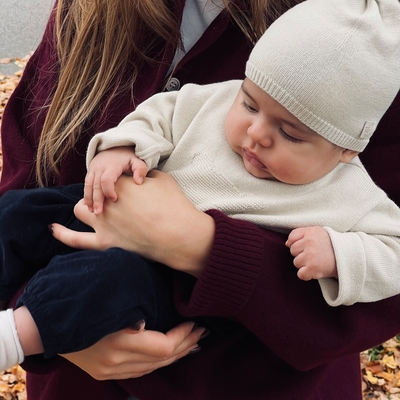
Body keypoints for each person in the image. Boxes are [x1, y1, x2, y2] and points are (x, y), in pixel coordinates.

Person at [1, 1, 400, 400]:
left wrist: (338, 254)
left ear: (348, 150)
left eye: (291, 134)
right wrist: (122, 147)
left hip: (174, 299)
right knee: (19, 214)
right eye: (248, 104)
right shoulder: (211, 94)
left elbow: (392, 253)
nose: (256, 133)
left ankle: (17, 336)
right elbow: (160, 114)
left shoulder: (349, 186)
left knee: (104, 281)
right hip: (94, 227)